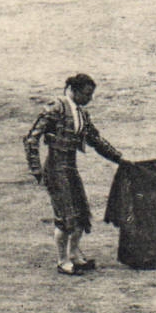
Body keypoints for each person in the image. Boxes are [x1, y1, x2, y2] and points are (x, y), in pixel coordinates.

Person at [24, 74, 125, 277]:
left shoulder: (81, 114)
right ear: (74, 90)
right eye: (87, 94)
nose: (90, 99)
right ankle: (62, 260)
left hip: (70, 167)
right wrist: (36, 169)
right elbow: (31, 139)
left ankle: (74, 255)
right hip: (55, 167)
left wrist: (119, 159)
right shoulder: (55, 108)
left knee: (81, 213)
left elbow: (95, 140)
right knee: (65, 216)